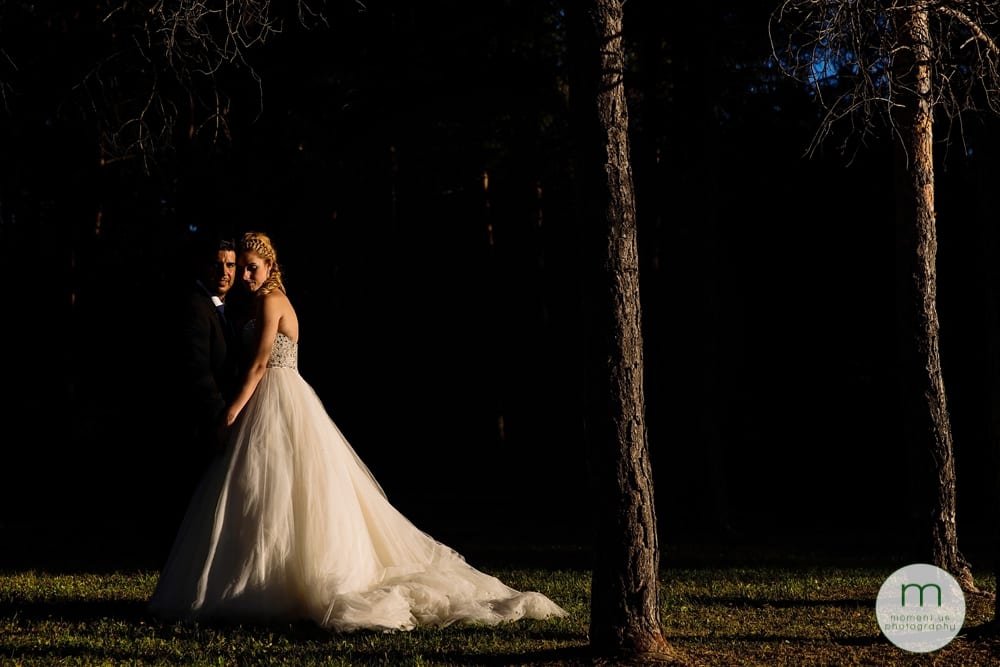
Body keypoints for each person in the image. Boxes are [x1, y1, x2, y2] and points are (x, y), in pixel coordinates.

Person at [149, 231, 567, 631]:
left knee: (290, 491)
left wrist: (229, 415)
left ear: (270, 265)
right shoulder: (253, 304)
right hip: (265, 400)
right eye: (241, 268)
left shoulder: (274, 300)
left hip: (280, 396)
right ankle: (255, 578)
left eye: (251, 267)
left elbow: (260, 364)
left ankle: (284, 582)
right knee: (261, 491)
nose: (244, 275)